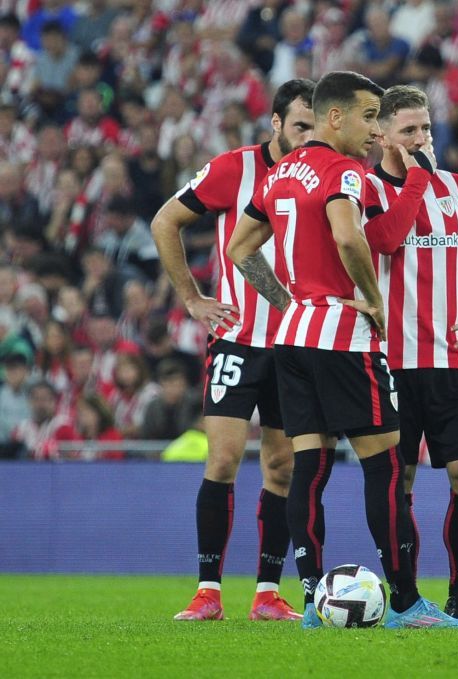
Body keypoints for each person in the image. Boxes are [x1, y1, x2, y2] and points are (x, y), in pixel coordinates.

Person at [227, 71, 458, 630]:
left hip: (292, 336)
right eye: (368, 117)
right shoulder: (344, 171)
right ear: (333, 117)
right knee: (385, 467)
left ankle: (315, 601)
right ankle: (409, 604)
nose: (374, 131)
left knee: (309, 468)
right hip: (343, 336)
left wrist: (287, 300)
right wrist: (373, 299)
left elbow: (240, 249)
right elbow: (349, 236)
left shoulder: (280, 172)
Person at [150, 79, 316, 622]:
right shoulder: (233, 170)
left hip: (296, 344)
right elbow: (165, 221)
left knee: (282, 466)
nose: (308, 137)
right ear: (275, 124)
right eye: (300, 126)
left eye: (317, 127)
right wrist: (192, 298)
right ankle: (208, 592)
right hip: (239, 340)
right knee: (222, 457)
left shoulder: (328, 175)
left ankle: (267, 594)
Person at [362, 85, 458, 622]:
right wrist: (415, 182)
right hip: (389, 362)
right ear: (380, 133)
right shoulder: (364, 190)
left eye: (426, 128)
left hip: (452, 363)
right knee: (397, 482)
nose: (421, 139)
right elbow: (383, 241)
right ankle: (405, 598)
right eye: (408, 130)